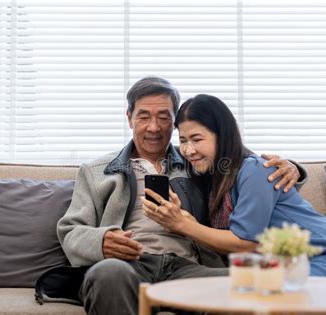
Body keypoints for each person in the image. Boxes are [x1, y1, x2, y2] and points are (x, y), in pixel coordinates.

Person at [57, 77, 303, 315]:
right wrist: (101, 241)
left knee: (253, 283)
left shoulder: (197, 159)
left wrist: (290, 167)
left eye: (164, 117)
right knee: (108, 273)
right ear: (129, 118)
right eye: (144, 116)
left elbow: (245, 163)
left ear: (175, 122)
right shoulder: (96, 171)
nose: (154, 127)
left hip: (189, 268)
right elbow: (70, 230)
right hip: (129, 265)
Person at [142, 94, 326, 279]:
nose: (189, 150)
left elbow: (246, 243)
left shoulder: (253, 169)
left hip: (323, 262)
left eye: (197, 139)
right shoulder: (210, 175)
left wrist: (182, 224)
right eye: (183, 141)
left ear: (222, 136)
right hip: (282, 266)